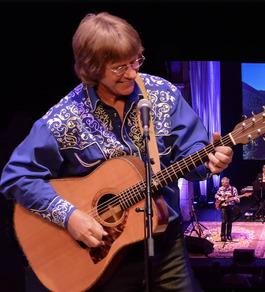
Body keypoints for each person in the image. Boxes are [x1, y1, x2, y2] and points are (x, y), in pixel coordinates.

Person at [0, 12, 233, 291]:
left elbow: (192, 152)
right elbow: (16, 177)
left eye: (136, 60)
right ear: (92, 68)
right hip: (98, 254)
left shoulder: (163, 95)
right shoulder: (65, 118)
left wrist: (209, 162)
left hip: (165, 248)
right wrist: (70, 216)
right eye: (119, 67)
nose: (133, 72)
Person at [215, 177, 239, 242]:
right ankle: (222, 235)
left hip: (231, 207)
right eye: (222, 183)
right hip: (223, 207)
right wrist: (221, 198)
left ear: (227, 183)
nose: (222, 184)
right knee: (223, 221)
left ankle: (229, 235)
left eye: (223, 183)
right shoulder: (221, 189)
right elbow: (216, 195)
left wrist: (235, 198)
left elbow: (238, 200)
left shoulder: (233, 189)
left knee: (229, 222)